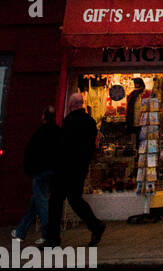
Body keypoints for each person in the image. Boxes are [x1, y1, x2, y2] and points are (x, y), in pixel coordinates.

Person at [47, 92, 106, 246]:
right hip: (80, 168)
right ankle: (95, 225)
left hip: (65, 167)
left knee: (56, 201)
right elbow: (92, 145)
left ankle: (53, 238)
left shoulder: (69, 121)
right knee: (75, 199)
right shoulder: (90, 122)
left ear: (72, 105)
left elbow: (63, 146)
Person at [12, 107, 60, 242]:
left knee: (42, 203)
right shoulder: (58, 132)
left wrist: (30, 170)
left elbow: (31, 152)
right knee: (36, 202)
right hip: (53, 172)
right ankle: (20, 232)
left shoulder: (40, 133)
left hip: (41, 172)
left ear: (44, 117)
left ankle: (47, 235)